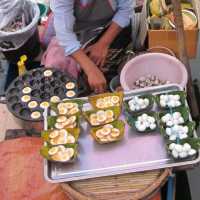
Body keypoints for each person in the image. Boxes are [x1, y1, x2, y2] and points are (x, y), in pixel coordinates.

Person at [41, 0, 133, 93]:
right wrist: (91, 69)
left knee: (106, 65)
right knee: (58, 69)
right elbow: (65, 34)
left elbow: (125, 11)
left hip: (106, 27)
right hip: (71, 31)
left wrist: (103, 44)